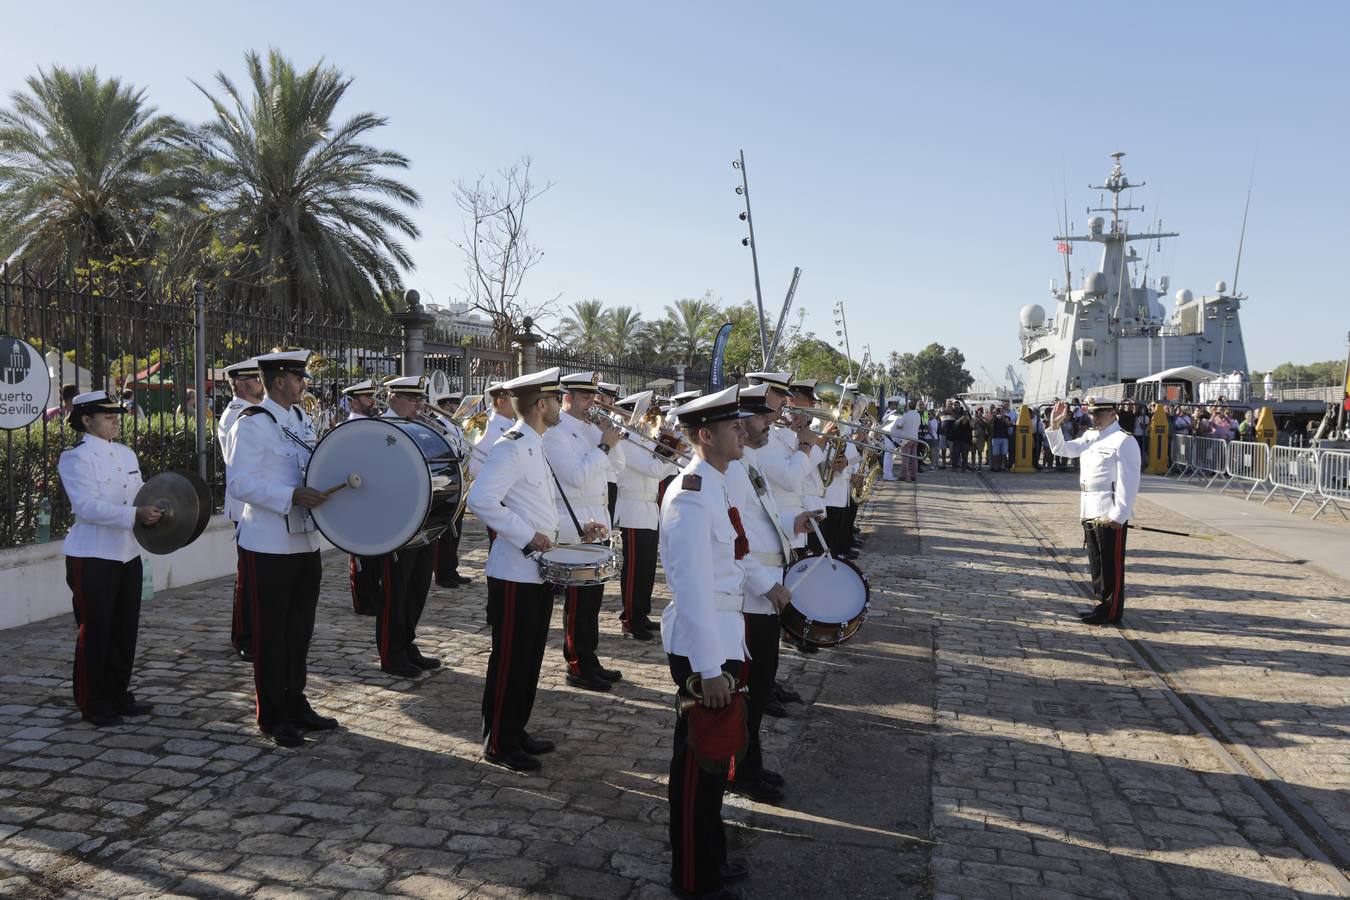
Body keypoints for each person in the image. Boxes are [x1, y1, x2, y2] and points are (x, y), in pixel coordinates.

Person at [658, 384, 753, 899]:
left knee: (715, 766)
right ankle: (692, 877)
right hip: (704, 645)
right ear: (704, 435)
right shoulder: (691, 494)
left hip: (723, 637)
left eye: (740, 424)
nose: (742, 431)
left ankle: (710, 859)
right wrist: (710, 667)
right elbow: (692, 588)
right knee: (697, 767)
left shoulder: (715, 483)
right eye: (732, 426)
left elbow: (732, 563)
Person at [226, 349, 336, 747]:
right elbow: (240, 484)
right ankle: (272, 715)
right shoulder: (252, 424)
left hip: (305, 539)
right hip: (269, 542)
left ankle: (296, 701)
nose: (304, 383)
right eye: (297, 377)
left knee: (300, 629)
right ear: (278, 381)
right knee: (271, 634)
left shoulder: (300, 419)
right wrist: (291, 495)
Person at [465, 366, 565, 772]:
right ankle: (499, 743)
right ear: (542, 404)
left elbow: (538, 506)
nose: (559, 405)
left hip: (537, 570)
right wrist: (526, 536)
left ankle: (515, 728)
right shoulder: (511, 446)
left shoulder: (535, 443)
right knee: (509, 659)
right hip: (514, 572)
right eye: (556, 398)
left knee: (529, 658)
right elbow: (481, 501)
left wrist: (576, 531)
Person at [724, 383, 818, 806]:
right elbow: (733, 542)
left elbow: (762, 515)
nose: (771, 421)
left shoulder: (749, 462)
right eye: (762, 416)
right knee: (747, 689)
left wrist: (793, 519)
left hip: (766, 587)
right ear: (740, 425)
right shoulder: (730, 471)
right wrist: (767, 585)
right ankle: (739, 769)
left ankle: (751, 763)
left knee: (760, 687)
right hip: (750, 592)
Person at [58, 390, 163, 726]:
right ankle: (94, 702)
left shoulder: (126, 454)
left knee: (123, 630)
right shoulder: (75, 458)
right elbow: (86, 507)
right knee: (97, 630)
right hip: (92, 555)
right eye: (107, 416)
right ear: (87, 421)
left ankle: (118, 694)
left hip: (127, 553)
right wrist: (135, 514)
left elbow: (140, 493)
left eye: (117, 414)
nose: (116, 419)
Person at [543, 371, 625, 691]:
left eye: (594, 396)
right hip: (575, 521)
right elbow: (575, 476)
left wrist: (609, 441)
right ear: (568, 398)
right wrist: (603, 446)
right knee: (578, 602)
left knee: (593, 600)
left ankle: (590, 658)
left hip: (597, 516)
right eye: (586, 397)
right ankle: (576, 664)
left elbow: (617, 469)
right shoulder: (555, 432)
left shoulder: (592, 429)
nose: (594, 402)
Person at [1046, 397, 1141, 626]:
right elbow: (1063, 449)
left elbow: (1129, 482)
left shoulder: (1123, 441)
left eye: (1099, 414)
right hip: (1089, 507)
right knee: (1097, 562)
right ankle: (1102, 605)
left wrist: (1120, 514)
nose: (1094, 418)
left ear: (1112, 413)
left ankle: (1112, 610)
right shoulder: (1090, 436)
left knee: (1112, 563)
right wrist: (1055, 426)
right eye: (1092, 414)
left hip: (1109, 510)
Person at [372, 375, 441, 677]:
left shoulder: (419, 427)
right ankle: (391, 652)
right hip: (395, 523)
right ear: (392, 399)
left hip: (424, 519)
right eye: (412, 400)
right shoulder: (379, 430)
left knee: (417, 586)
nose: (418, 405)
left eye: (420, 400)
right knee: (395, 591)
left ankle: (407, 642)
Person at [612, 390, 676, 641]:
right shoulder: (627, 440)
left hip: (649, 509)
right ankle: (629, 618)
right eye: (642, 412)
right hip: (633, 510)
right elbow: (655, 470)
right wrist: (675, 453)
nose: (648, 417)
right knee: (634, 569)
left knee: (647, 568)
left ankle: (641, 613)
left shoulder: (643, 439)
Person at [218, 358, 264, 660]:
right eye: (259, 380)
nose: (263, 385)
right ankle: (244, 635)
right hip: (246, 507)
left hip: (254, 505)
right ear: (245, 384)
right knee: (247, 578)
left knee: (252, 577)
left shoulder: (250, 412)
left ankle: (252, 632)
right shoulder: (238, 414)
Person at [339, 379, 383, 617]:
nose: (372, 402)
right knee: (361, 553)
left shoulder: (375, 425)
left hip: (375, 498)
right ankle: (363, 600)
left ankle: (374, 594)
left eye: (372, 397)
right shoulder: (348, 430)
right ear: (353, 402)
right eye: (367, 398)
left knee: (377, 551)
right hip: (358, 499)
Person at [430, 388, 473, 589]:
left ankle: (451, 569)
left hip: (460, 482)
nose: (461, 409)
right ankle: (442, 573)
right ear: (447, 406)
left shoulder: (456, 425)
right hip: (447, 482)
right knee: (446, 531)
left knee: (456, 530)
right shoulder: (438, 424)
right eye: (457, 405)